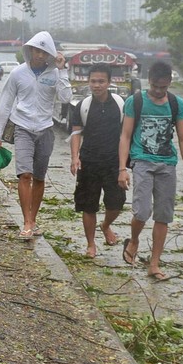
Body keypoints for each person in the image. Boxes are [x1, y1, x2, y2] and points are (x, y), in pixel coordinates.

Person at [116, 60, 183, 280]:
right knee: (141, 211)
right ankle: (133, 240)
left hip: (167, 164)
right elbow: (125, 136)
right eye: (156, 86)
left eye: (164, 87)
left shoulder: (176, 104)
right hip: (142, 161)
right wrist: (122, 168)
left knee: (163, 216)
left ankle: (154, 263)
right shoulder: (136, 101)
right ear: (148, 80)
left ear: (170, 82)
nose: (159, 91)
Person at [0, 32, 70, 240]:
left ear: (49, 54)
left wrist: (62, 71)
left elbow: (66, 98)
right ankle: (25, 221)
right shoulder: (18, 73)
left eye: (44, 52)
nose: (39, 55)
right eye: (36, 50)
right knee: (24, 174)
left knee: (39, 177)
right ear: (30, 51)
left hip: (45, 129)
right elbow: (6, 103)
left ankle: (33, 220)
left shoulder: (55, 74)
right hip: (22, 127)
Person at [68, 64, 125, 258]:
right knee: (88, 205)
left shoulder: (120, 105)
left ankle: (106, 225)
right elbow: (76, 132)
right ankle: (91, 244)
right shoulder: (83, 106)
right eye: (93, 81)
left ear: (109, 82)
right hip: (89, 161)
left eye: (101, 81)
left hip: (114, 162)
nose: (97, 85)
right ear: (88, 82)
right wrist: (75, 157)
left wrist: (124, 166)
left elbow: (127, 134)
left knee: (116, 204)